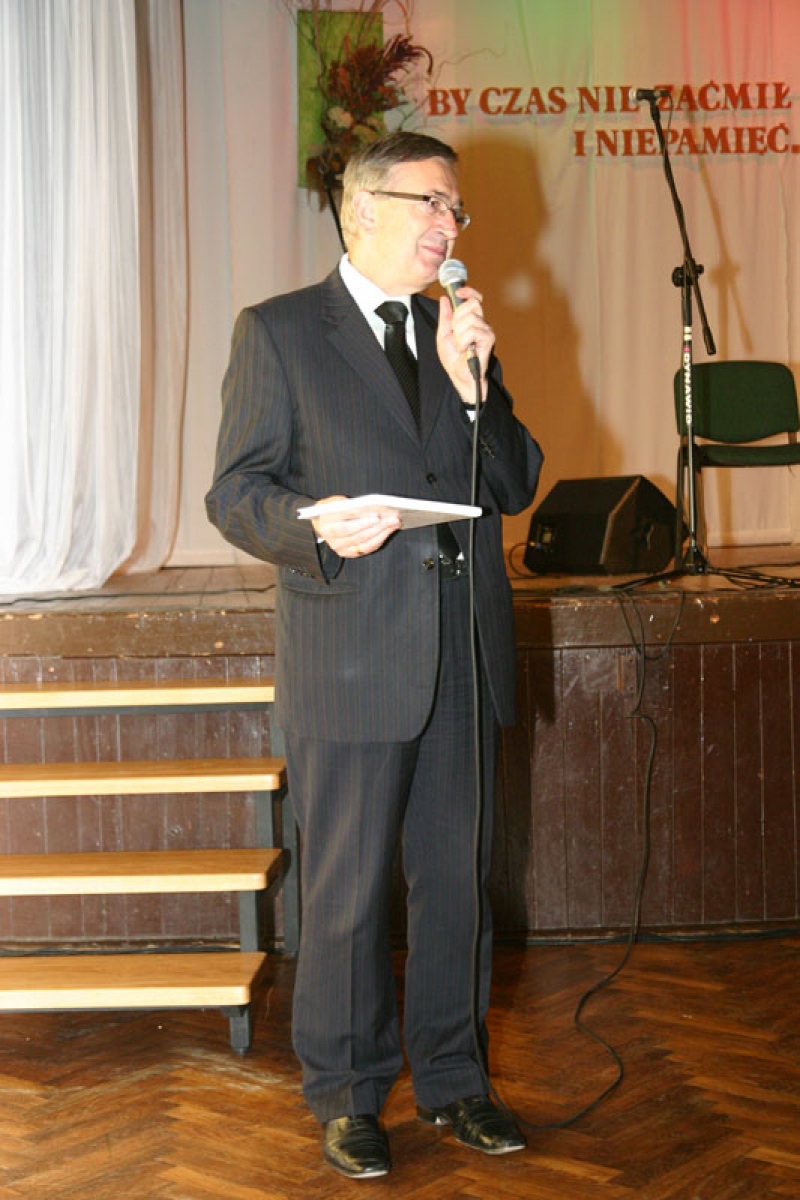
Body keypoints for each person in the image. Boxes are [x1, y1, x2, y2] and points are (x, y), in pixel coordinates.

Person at [205, 130, 543, 1180]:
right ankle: (348, 1095)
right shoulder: (280, 332)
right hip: (350, 652)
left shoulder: (457, 332)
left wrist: (475, 390)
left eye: (455, 209)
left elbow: (515, 480)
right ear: (359, 209)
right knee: (347, 893)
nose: (448, 225)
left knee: (456, 885)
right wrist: (311, 526)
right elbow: (236, 491)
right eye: (429, 203)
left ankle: (453, 1078)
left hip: (462, 655)